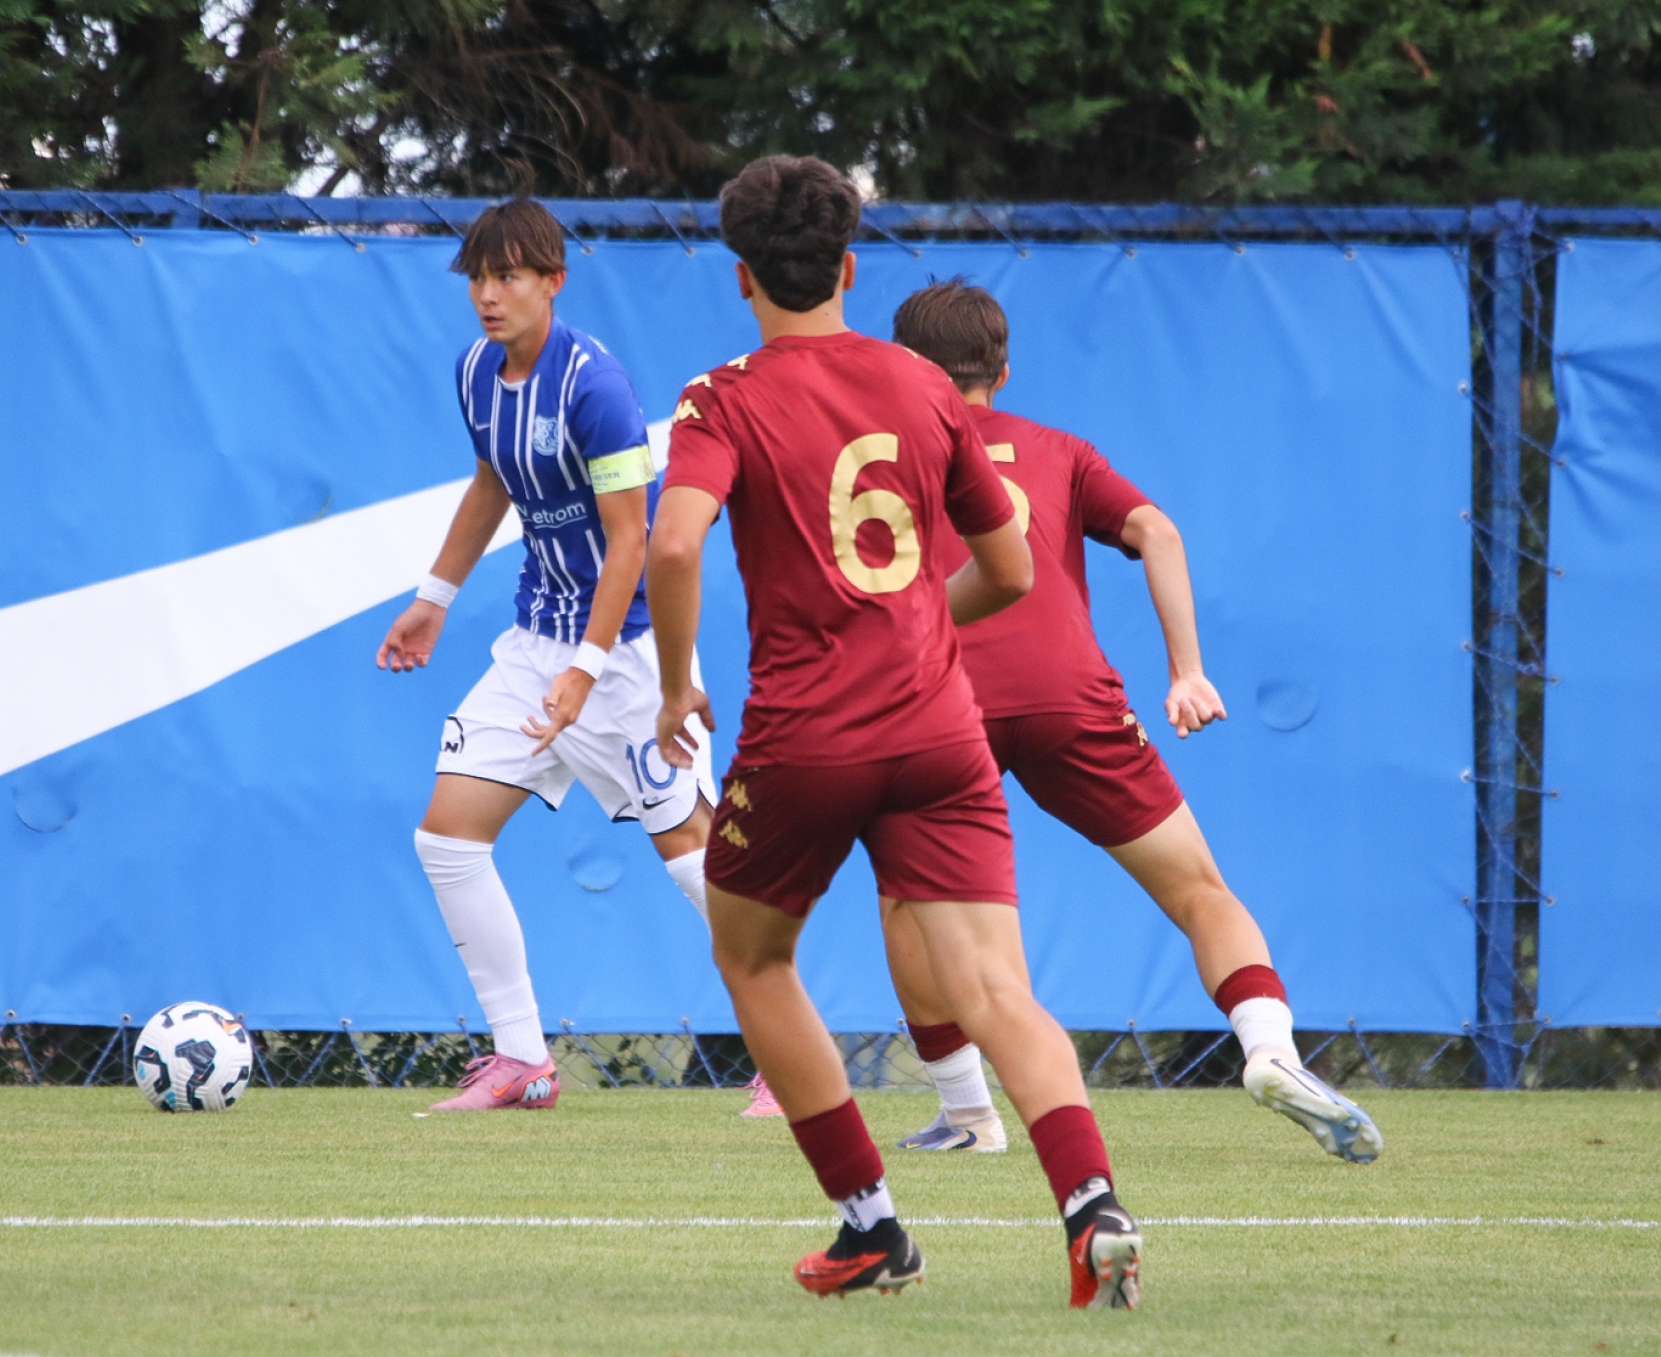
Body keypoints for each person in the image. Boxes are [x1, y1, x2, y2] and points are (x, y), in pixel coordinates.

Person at [647, 156, 1143, 1311]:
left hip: (807, 736)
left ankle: (871, 1224)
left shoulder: (721, 396)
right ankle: (1093, 1205)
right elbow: (1010, 568)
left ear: (740, 276)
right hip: (937, 729)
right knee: (997, 987)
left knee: (753, 956)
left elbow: (672, 544)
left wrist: (674, 686)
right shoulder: (923, 385)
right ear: (851, 268)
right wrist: (914, 621)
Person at [879, 278, 1382, 1164]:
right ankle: (1270, 1048)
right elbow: (1159, 531)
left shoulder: (884, 459)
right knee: (1200, 891)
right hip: (1071, 695)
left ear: (906, 369)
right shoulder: (1060, 450)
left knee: (906, 904)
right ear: (1004, 371)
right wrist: (1186, 671)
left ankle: (968, 1113)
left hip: (942, 700)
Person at [377, 197, 715, 1113]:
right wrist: (434, 599)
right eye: (478, 279)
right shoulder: (475, 373)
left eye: (509, 277)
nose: (488, 295)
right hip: (536, 645)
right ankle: (523, 1060)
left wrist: (588, 669)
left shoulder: (596, 388)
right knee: (447, 838)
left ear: (553, 281)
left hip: (628, 656)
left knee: (695, 856)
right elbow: (492, 482)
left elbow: (632, 540)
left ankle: (788, 1057)